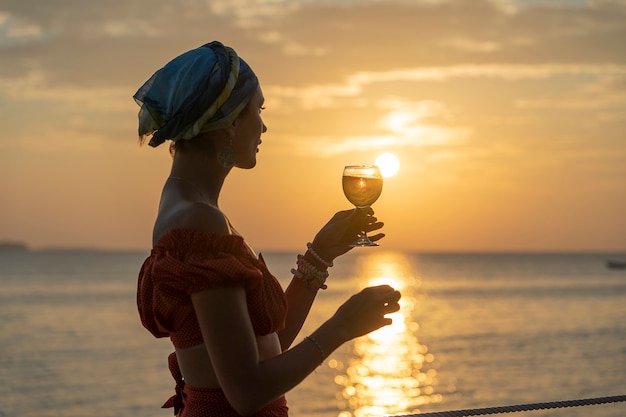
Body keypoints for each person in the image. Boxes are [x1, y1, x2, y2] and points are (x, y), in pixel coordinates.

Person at [134, 41, 401, 417]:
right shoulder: (199, 220)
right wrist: (342, 326)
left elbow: (266, 344)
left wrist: (319, 255)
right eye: (257, 111)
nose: (263, 126)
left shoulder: (188, 206)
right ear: (227, 125)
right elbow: (246, 391)